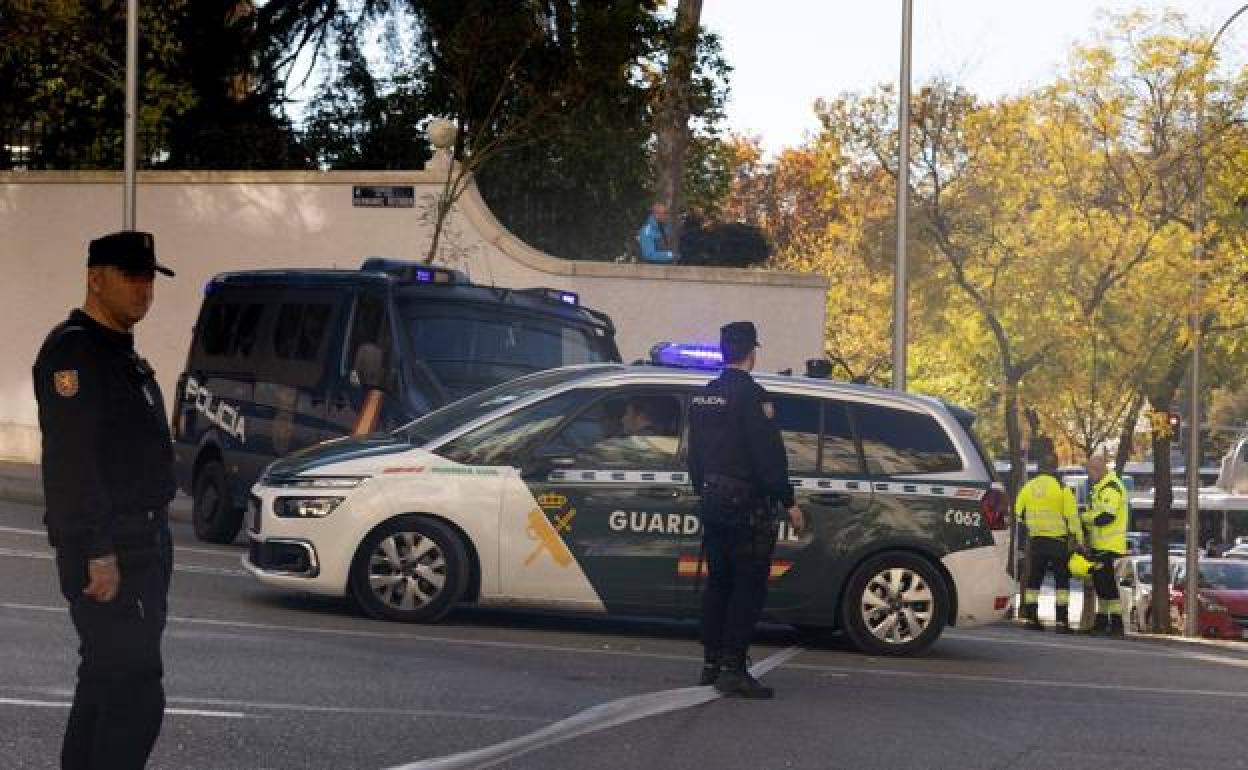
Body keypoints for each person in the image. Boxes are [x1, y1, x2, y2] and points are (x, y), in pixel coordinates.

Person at [33, 231, 176, 769]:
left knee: (102, 683)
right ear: (96, 278)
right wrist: (97, 549)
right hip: (114, 549)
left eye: (148, 278)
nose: (143, 289)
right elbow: (70, 460)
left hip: (142, 542)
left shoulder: (117, 351)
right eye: (130, 276)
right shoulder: (75, 350)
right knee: (137, 696)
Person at [687, 321, 804, 698]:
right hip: (747, 505)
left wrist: (703, 493)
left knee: (718, 583)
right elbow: (768, 457)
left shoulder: (705, 396)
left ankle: (711, 662)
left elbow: (695, 457)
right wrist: (789, 502)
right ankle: (734, 667)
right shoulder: (754, 398)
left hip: (712, 499)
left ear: (724, 352)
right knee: (748, 585)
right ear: (752, 353)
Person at [1014, 442, 1081, 633]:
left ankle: (1030, 618)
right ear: (1055, 467)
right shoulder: (1062, 488)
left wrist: (1030, 526)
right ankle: (1061, 621)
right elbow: (1072, 516)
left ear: (1040, 467)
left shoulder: (1029, 487)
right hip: (1058, 543)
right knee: (1061, 582)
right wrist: (1078, 539)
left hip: (1036, 541)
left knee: (1034, 580)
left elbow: (1018, 512)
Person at [1081, 455, 1129, 638]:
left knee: (1107, 585)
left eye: (1090, 471)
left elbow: (1106, 518)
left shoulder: (1111, 488)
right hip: (1101, 545)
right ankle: (1103, 622)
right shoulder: (1102, 488)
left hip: (1108, 545)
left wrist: (1084, 518)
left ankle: (1115, 625)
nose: (1089, 476)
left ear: (1098, 470)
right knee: (1101, 584)